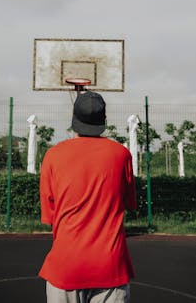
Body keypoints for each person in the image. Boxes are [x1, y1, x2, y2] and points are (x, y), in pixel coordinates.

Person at [39, 90, 137, 303]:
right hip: (110, 265)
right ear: (104, 120)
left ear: (74, 119)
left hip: (65, 266)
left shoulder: (53, 156)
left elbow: (50, 215)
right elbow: (130, 203)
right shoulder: (121, 155)